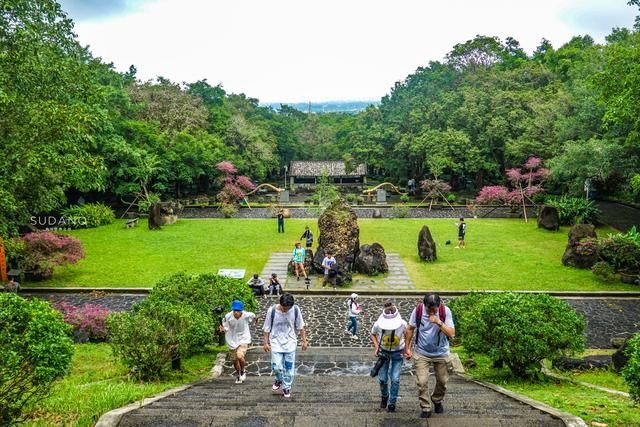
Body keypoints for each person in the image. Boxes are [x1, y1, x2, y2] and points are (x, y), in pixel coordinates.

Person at [405, 293, 456, 419]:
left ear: (439, 305)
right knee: (422, 382)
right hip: (422, 352)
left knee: (443, 381)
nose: (431, 312)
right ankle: (426, 407)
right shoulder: (418, 310)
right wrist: (407, 348)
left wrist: (438, 322)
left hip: (441, 352)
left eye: (434, 309)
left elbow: (451, 334)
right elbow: (410, 328)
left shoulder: (445, 311)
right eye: (429, 309)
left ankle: (437, 399)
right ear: (425, 305)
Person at [262, 293, 308, 399]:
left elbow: (300, 327)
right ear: (280, 303)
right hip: (275, 342)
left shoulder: (295, 310)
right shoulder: (272, 311)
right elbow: (266, 328)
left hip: (290, 343)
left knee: (289, 368)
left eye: (288, 308)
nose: (285, 310)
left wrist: (304, 341)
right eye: (284, 308)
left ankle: (286, 386)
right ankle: (279, 379)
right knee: (276, 366)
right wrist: (265, 343)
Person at [371, 300, 409, 413]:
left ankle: (392, 403)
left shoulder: (402, 324)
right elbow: (373, 334)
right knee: (382, 379)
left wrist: (407, 349)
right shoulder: (378, 324)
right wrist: (376, 346)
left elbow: (408, 335)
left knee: (395, 379)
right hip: (384, 352)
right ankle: (384, 396)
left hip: (398, 352)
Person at [220, 300, 257, 384]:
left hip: (244, 338)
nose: (236, 312)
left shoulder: (246, 314)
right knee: (235, 360)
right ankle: (239, 373)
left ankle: (243, 370)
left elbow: (254, 315)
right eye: (234, 310)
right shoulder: (228, 316)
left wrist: (256, 319)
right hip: (231, 340)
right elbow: (225, 327)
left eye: (238, 311)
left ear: (241, 310)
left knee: (239, 355)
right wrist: (222, 329)